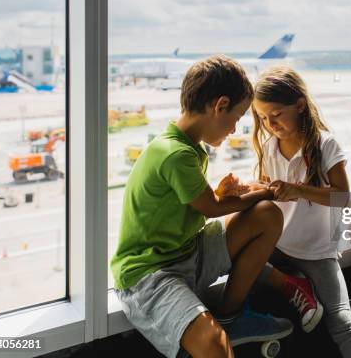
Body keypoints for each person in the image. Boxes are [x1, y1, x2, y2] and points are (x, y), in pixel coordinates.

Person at [110, 55, 293, 358]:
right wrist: (264, 193)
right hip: (150, 274)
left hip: (187, 252)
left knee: (266, 218)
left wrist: (230, 193)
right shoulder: (175, 153)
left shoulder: (189, 147)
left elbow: (199, 202)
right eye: (236, 118)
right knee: (214, 346)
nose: (234, 129)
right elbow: (212, 208)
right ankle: (219, 326)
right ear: (219, 105)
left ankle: (230, 316)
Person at [248, 66, 351, 358]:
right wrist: (248, 190)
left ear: (300, 105)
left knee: (343, 322)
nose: (269, 124)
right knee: (232, 260)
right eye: (263, 118)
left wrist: (300, 190)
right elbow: (270, 193)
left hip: (317, 252)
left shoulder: (325, 144)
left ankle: (301, 289)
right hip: (277, 245)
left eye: (276, 115)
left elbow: (342, 197)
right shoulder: (268, 147)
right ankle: (294, 286)